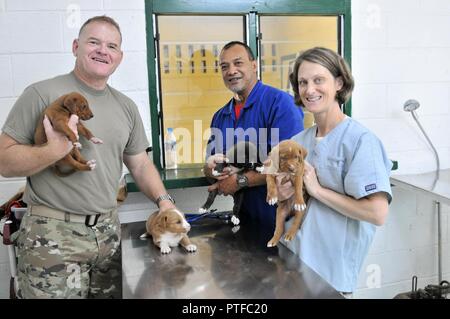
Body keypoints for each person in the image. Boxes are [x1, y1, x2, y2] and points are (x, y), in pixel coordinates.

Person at [0, 16, 177, 299]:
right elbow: (4, 161)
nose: (102, 50)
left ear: (119, 57)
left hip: (108, 234)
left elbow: (140, 163)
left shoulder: (126, 107)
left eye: (111, 46)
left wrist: (165, 202)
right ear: (75, 47)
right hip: (53, 235)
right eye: (93, 42)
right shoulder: (41, 94)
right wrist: (53, 151)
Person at [283, 47, 392, 295]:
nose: (309, 89)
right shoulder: (299, 141)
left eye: (318, 80)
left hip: (330, 276)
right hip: (294, 263)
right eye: (303, 82)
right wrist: (284, 193)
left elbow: (377, 213)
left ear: (339, 83)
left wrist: (317, 190)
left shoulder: (361, 141)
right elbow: (295, 207)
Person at [204, 41, 304, 228]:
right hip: (245, 220)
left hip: (282, 222)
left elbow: (289, 165)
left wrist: (240, 180)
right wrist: (211, 171)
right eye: (224, 67)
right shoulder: (220, 116)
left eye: (238, 63)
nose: (231, 71)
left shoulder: (280, 104)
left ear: (254, 65)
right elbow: (210, 165)